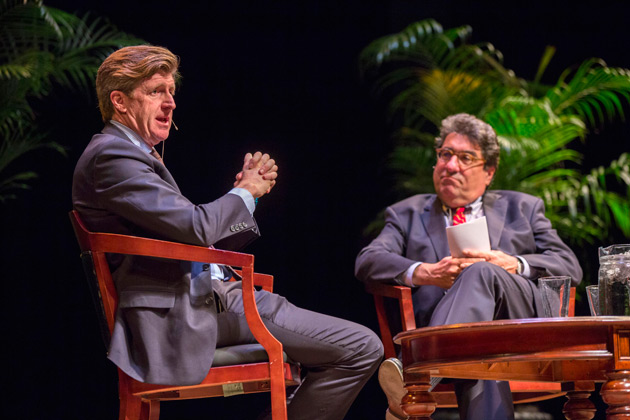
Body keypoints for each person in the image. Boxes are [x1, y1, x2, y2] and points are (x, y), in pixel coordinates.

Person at [72, 45, 383, 420]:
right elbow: (197, 227)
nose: (170, 103)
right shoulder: (113, 156)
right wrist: (245, 192)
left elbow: (192, 236)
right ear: (119, 101)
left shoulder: (132, 154)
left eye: (172, 91)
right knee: (361, 347)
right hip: (188, 310)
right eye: (156, 91)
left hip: (209, 298)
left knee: (352, 349)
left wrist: (243, 199)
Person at [355, 113, 582, 420]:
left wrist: (512, 263)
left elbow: (569, 265)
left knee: (483, 271)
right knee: (477, 354)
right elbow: (369, 260)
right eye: (445, 154)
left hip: (518, 328)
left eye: (465, 157)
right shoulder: (407, 214)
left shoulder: (522, 208)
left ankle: (418, 378)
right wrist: (427, 272)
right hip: (470, 343)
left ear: (488, 171)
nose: (450, 165)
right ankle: (432, 368)